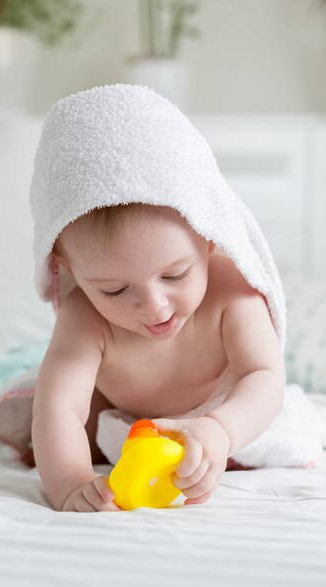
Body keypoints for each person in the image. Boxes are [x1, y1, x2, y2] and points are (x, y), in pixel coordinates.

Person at [27, 84, 287, 513]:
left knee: (284, 423)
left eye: (175, 274)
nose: (155, 306)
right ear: (67, 269)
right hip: (125, 412)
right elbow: (59, 409)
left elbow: (263, 376)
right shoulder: (84, 317)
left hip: (217, 409)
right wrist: (71, 483)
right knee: (55, 408)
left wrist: (220, 430)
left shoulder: (232, 292)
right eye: (114, 289)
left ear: (209, 236)